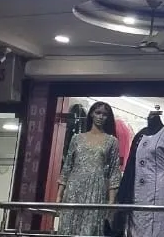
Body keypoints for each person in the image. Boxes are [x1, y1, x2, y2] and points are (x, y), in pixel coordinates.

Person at [57, 101, 122, 235]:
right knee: (68, 226)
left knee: (90, 228)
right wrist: (59, 195)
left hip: (96, 190)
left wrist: (111, 201)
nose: (100, 117)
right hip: (74, 188)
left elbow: (114, 173)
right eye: (98, 113)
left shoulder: (112, 141)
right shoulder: (76, 139)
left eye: (104, 114)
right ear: (91, 114)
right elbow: (67, 166)